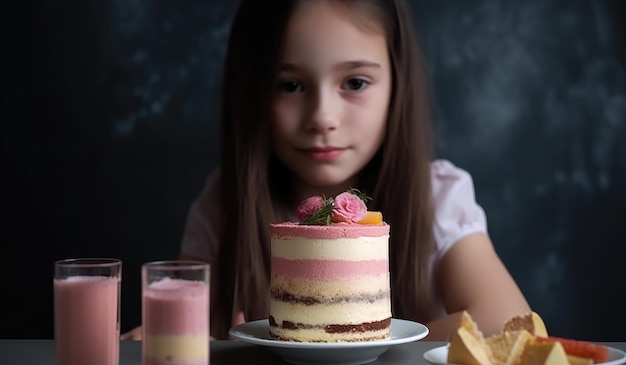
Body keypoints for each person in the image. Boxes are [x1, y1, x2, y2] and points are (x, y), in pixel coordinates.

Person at [123, 0, 531, 341]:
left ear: (397, 84)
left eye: (354, 83)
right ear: (252, 92)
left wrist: (353, 345)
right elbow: (178, 328)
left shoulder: (437, 197)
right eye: (290, 86)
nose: (322, 117)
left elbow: (504, 320)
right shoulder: (224, 206)